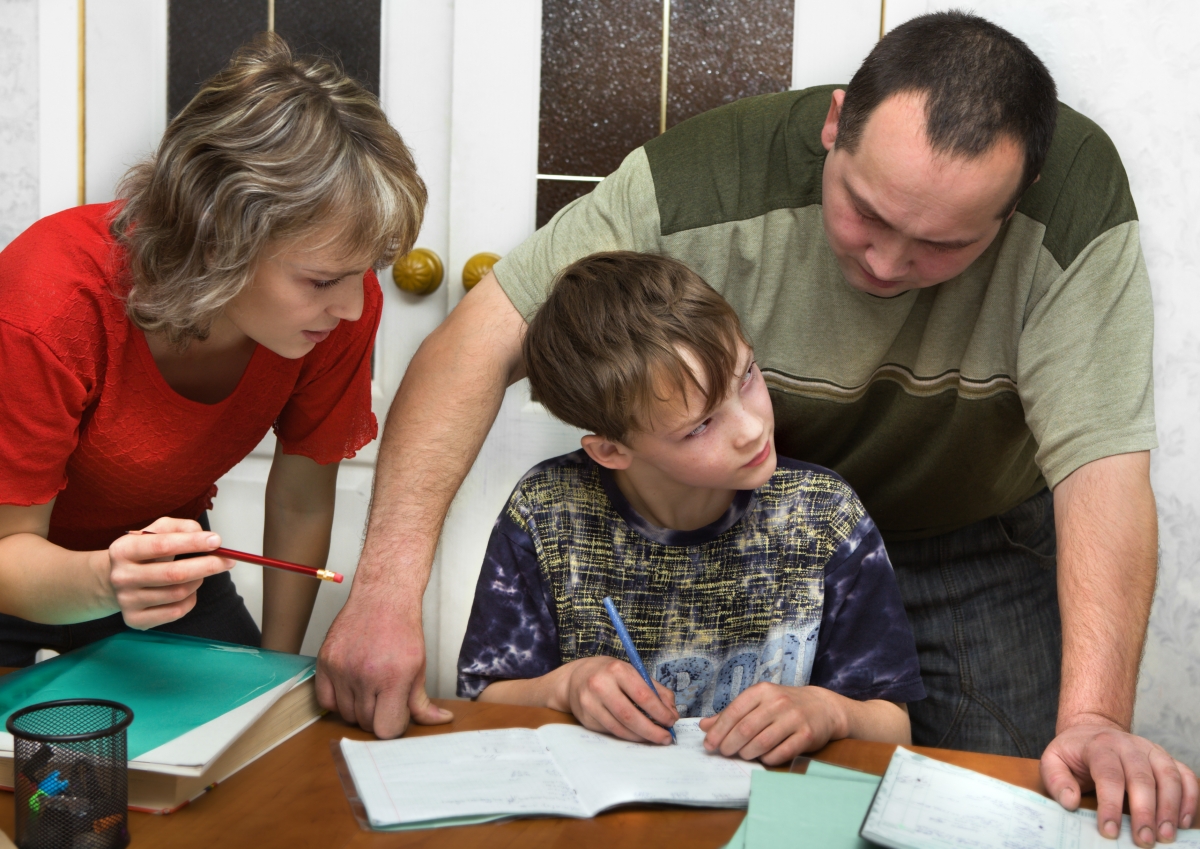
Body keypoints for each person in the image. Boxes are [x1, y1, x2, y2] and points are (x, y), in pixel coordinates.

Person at [318, 10, 1197, 847]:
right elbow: (471, 349)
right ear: (836, 124)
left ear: (1020, 198)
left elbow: (1102, 469)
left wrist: (1094, 721)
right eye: (869, 214)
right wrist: (386, 596)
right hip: (748, 530)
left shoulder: (1077, 198)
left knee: (1011, 805)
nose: (889, 265)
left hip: (973, 541)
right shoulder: (698, 179)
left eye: (944, 245)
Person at [0, 34, 425, 662]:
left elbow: (300, 498)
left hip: (158, 564)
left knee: (249, 749)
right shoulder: (49, 301)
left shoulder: (336, 306)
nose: (355, 308)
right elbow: (10, 552)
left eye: (362, 274)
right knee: (41, 762)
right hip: (21, 567)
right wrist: (108, 582)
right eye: (319, 280)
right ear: (220, 238)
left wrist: (273, 674)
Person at [455, 252, 924, 763]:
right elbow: (486, 701)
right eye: (700, 426)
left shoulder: (823, 513)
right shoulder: (547, 513)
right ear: (611, 451)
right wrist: (566, 687)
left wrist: (828, 712)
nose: (751, 430)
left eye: (747, 377)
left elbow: (893, 729)